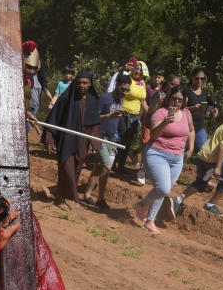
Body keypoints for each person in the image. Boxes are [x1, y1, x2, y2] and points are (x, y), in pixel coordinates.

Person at [133, 87, 194, 233]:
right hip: (157, 153)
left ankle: (150, 221)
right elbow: (153, 135)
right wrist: (165, 122)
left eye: (180, 99)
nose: (177, 102)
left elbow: (191, 130)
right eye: (174, 98)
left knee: (162, 190)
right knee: (163, 187)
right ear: (169, 98)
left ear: (184, 100)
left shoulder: (186, 113)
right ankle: (142, 205)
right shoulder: (160, 112)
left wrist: (190, 147)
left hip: (177, 158)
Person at [42, 70, 101, 203]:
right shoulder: (67, 98)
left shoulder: (92, 101)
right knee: (66, 165)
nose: (82, 85)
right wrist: (50, 139)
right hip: (66, 139)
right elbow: (54, 118)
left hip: (83, 141)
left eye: (85, 83)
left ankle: (60, 194)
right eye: (79, 83)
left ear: (90, 84)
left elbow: (95, 124)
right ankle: (73, 197)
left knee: (77, 168)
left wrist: (95, 144)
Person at [81, 74, 130, 209]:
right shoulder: (104, 98)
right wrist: (108, 116)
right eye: (123, 89)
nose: (125, 92)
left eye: (127, 90)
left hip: (110, 138)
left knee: (98, 168)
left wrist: (115, 139)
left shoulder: (120, 99)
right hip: (100, 136)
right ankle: (100, 198)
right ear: (117, 84)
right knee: (107, 167)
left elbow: (115, 121)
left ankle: (87, 195)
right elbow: (93, 117)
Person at [112, 59, 148, 175]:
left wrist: (151, 112)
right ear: (132, 69)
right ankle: (112, 165)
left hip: (134, 117)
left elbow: (142, 100)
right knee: (121, 140)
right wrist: (123, 69)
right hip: (123, 113)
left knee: (128, 142)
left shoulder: (142, 83)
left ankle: (121, 167)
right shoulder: (128, 79)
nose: (138, 71)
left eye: (141, 70)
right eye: (136, 68)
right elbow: (119, 80)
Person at [185, 67, 219, 154]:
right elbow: (181, 109)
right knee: (181, 150)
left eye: (202, 79)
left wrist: (214, 112)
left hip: (200, 127)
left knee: (204, 152)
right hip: (186, 127)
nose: (200, 81)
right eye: (197, 78)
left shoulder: (205, 92)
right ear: (192, 78)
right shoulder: (186, 91)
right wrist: (193, 108)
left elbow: (212, 105)